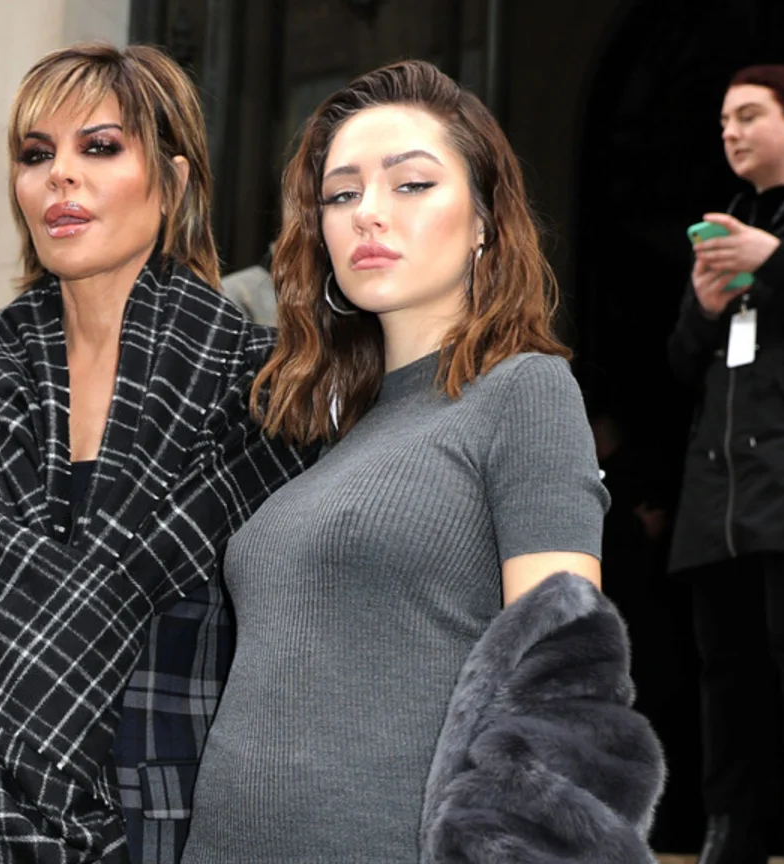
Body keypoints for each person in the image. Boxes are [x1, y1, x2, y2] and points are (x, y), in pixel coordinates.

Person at [180, 60, 664, 863]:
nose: (369, 213)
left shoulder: (525, 391)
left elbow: (563, 679)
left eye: (411, 184)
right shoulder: (324, 426)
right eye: (341, 194)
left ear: (483, 219)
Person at [0, 43, 306, 864]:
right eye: (36, 154)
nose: (61, 177)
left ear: (176, 181)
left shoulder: (264, 394)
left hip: (196, 824)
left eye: (101, 147)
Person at [669, 64, 784, 864]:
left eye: (749, 114)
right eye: (724, 119)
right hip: (721, 483)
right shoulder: (728, 222)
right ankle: (730, 831)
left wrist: (777, 260)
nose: (732, 130)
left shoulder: (773, 232)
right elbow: (681, 361)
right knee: (725, 670)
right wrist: (704, 307)